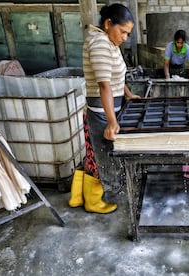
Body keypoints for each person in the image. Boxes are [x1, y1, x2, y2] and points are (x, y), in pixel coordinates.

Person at [69, 3, 140, 214]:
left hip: (108, 109)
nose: (125, 37)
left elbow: (116, 76)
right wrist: (112, 121)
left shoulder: (109, 43)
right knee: (101, 156)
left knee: (93, 152)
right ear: (109, 24)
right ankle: (93, 201)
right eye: (123, 31)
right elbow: (104, 85)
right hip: (102, 112)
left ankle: (77, 196)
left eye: (128, 33)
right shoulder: (99, 43)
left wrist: (128, 94)